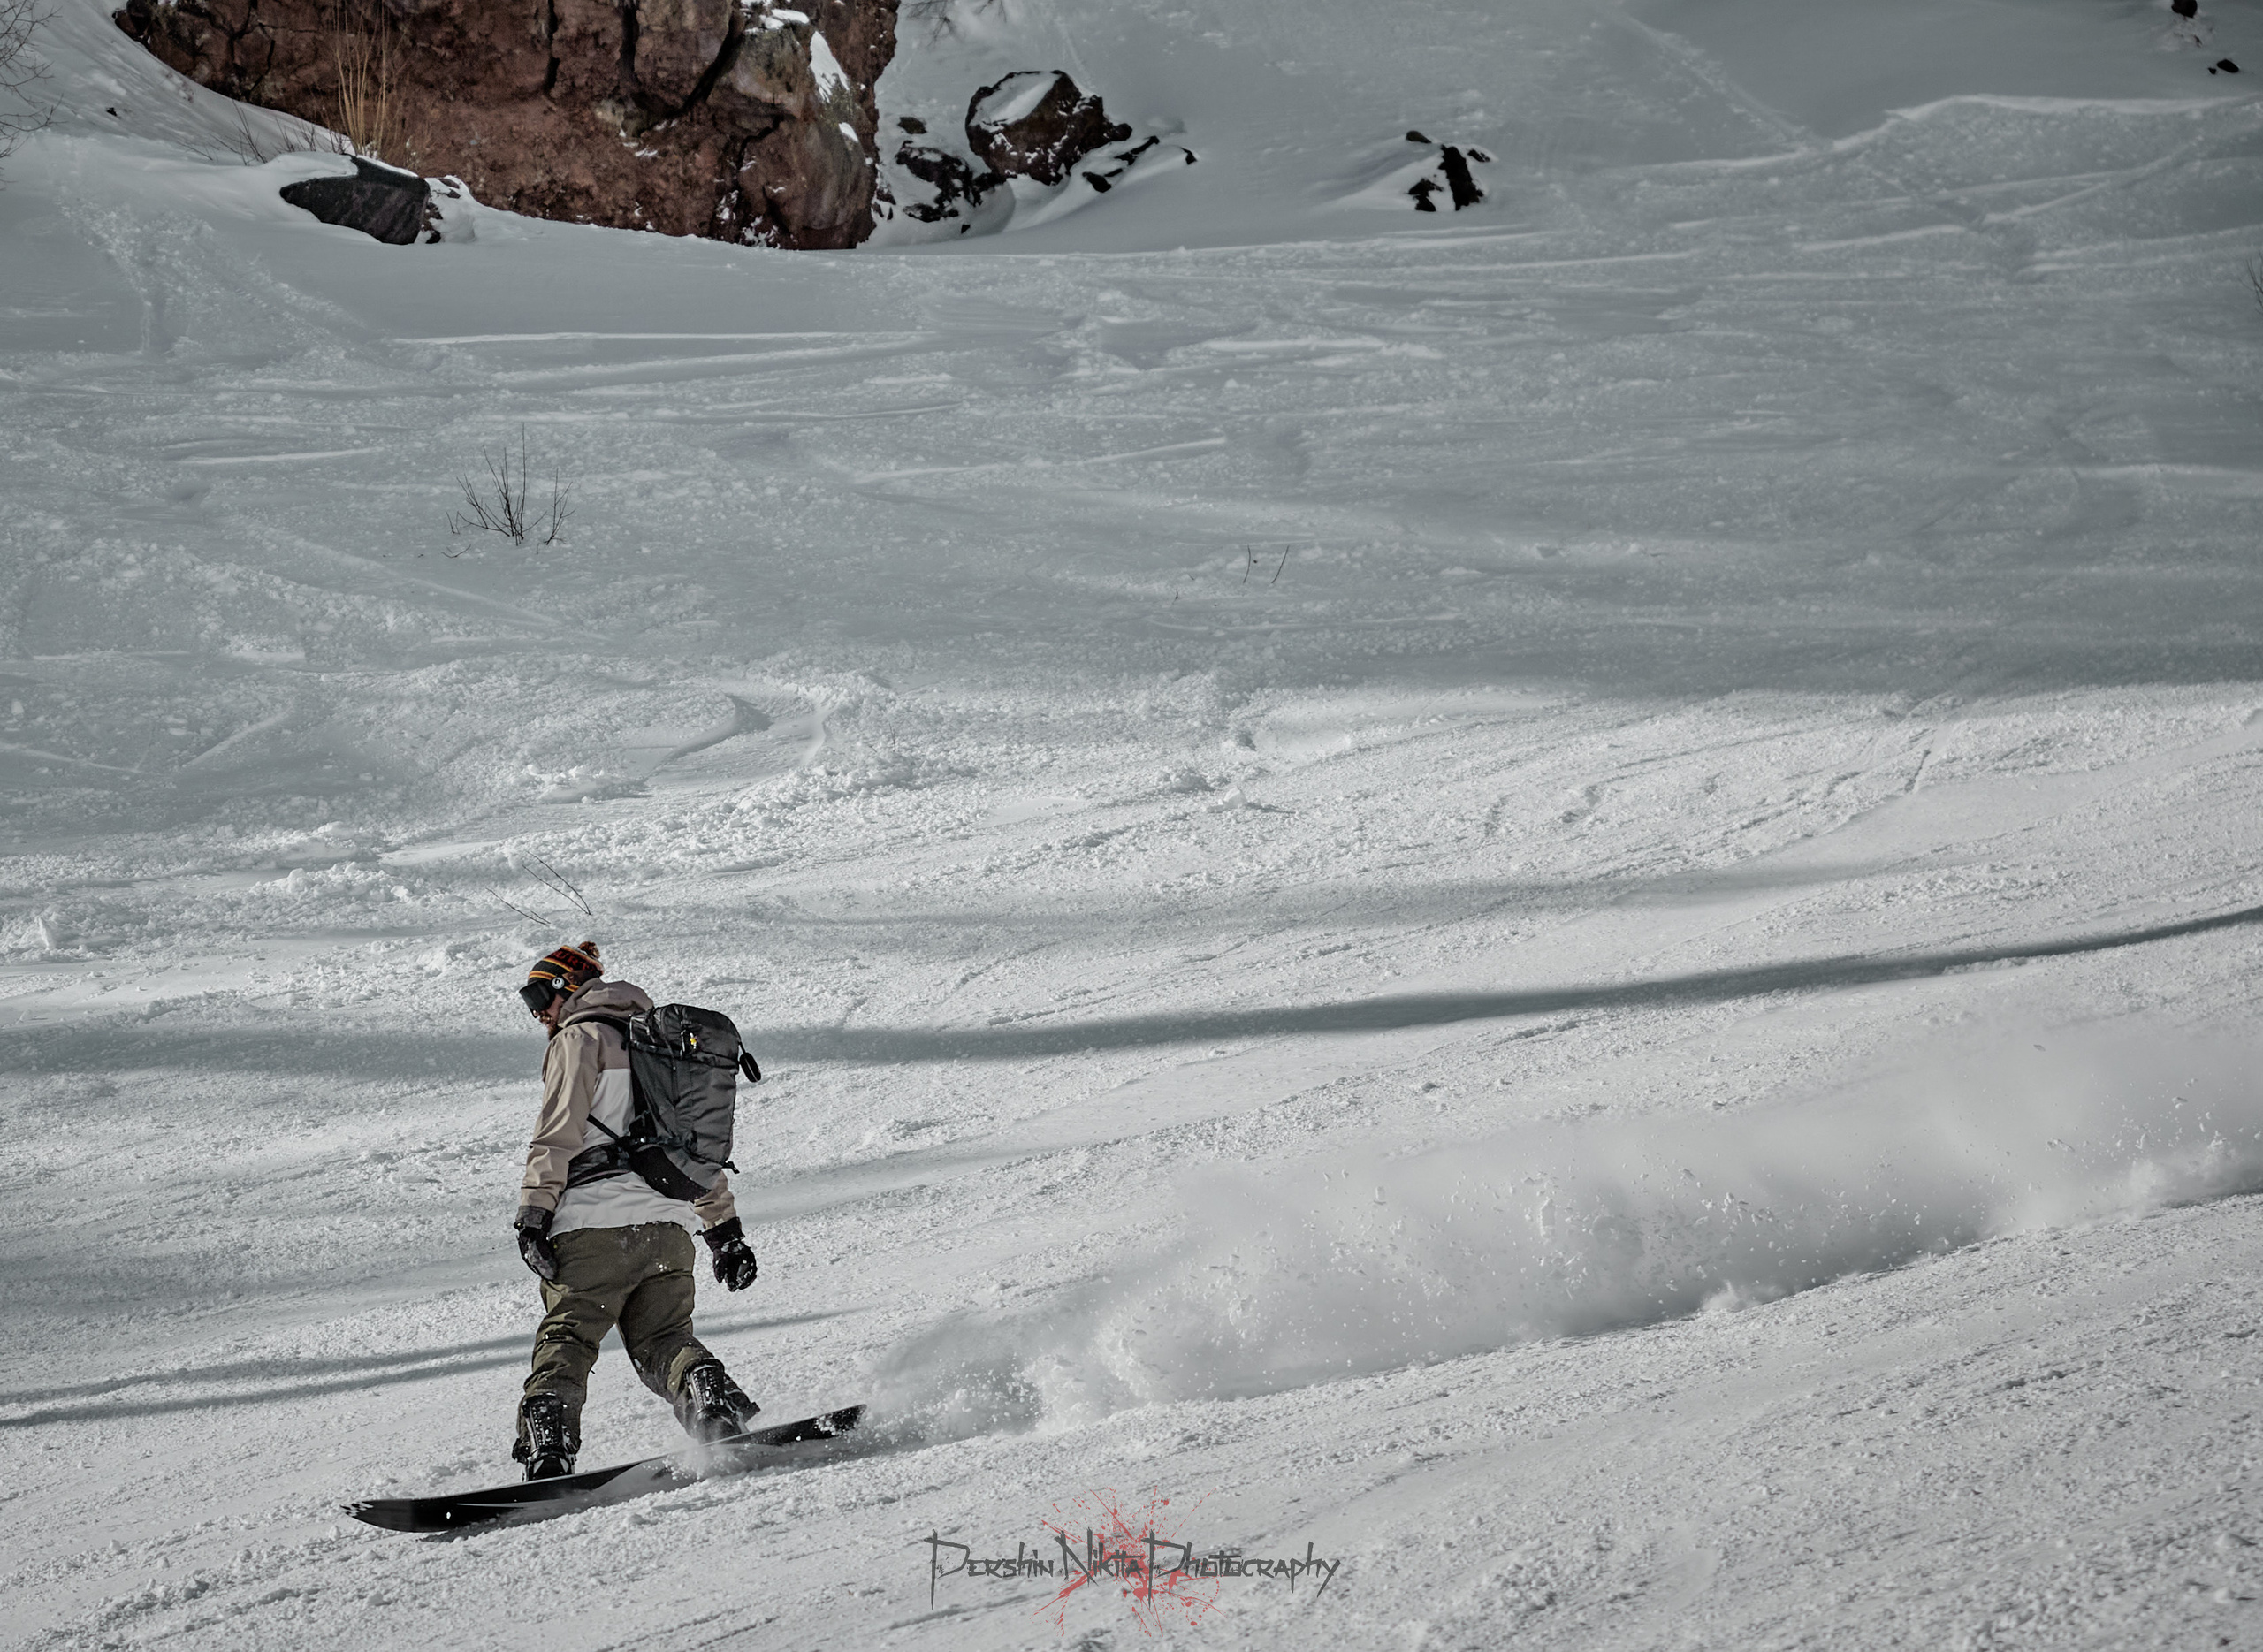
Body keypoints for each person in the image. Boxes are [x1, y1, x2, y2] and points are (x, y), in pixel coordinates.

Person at [509, 940, 765, 1480]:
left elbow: (557, 1134)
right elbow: (689, 1151)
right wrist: (725, 1231)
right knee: (663, 1340)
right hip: (668, 1230)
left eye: (538, 995)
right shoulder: (666, 1049)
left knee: (568, 1339)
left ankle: (549, 1448)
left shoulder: (579, 1039)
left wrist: (534, 1214)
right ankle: (708, 1397)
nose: (537, 1013)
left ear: (566, 987)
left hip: (591, 1229)